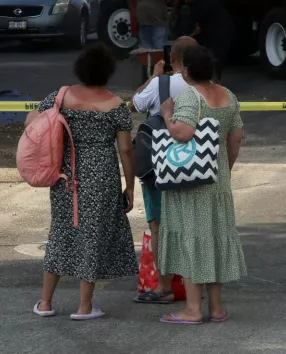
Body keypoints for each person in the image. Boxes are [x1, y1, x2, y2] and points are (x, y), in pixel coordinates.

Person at [26, 44, 139, 319]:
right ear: (108, 72)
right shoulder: (115, 106)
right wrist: (130, 187)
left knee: (61, 232)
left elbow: (32, 122)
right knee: (92, 236)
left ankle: (45, 303)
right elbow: (125, 149)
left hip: (66, 174)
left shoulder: (60, 97)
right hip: (102, 177)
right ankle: (84, 306)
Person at [157, 45, 246, 324]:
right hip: (217, 179)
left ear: (186, 71)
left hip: (190, 181)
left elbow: (182, 133)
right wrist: (226, 169)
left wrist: (166, 115)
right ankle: (216, 308)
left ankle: (193, 309)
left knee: (192, 239)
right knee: (213, 240)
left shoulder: (188, 96)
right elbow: (236, 138)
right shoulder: (228, 95)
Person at [129, 36, 198, 304]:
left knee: (158, 225)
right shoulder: (204, 86)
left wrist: (152, 76)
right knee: (190, 224)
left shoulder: (162, 83)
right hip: (193, 164)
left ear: (172, 59)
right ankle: (193, 286)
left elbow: (135, 104)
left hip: (158, 166)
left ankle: (164, 287)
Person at [176, 0, 233, 81]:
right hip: (218, 32)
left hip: (218, 35)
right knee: (211, 58)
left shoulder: (200, 1)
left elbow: (196, 25)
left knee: (212, 59)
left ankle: (212, 84)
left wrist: (188, 37)